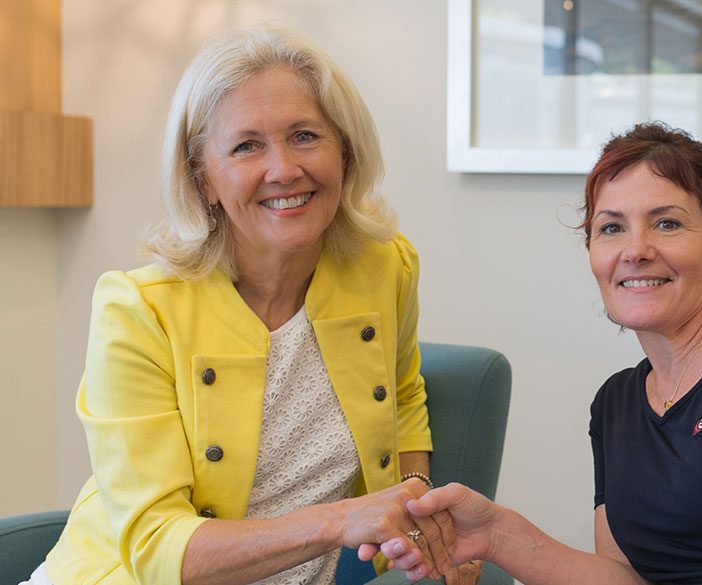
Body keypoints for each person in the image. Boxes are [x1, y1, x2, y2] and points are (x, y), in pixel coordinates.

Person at [372, 122, 702, 585]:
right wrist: (498, 535)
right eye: (611, 228)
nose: (636, 251)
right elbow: (626, 579)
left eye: (667, 223)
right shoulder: (615, 403)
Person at [30, 23, 472, 585]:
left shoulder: (386, 269)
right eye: (246, 146)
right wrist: (338, 520)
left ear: (346, 151)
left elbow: (404, 399)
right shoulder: (137, 312)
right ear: (203, 179)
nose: (283, 169)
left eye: (305, 135)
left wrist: (420, 537)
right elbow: (162, 549)